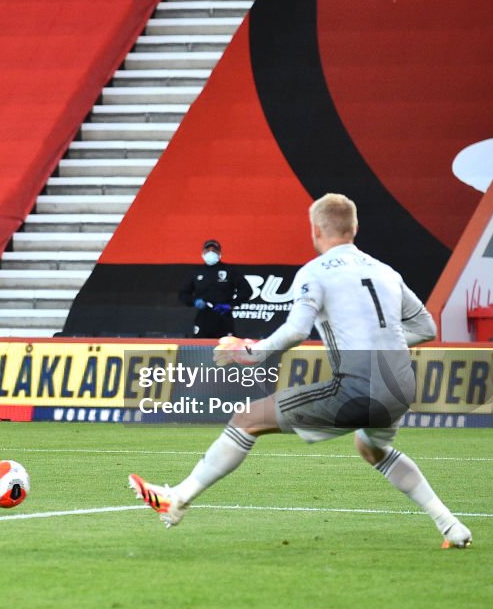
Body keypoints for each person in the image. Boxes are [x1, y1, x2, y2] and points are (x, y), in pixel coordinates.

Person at [130, 193, 472, 548]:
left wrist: (252, 352)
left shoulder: (314, 272)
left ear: (315, 230)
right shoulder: (385, 271)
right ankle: (451, 526)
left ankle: (176, 500)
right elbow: (427, 328)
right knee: (373, 449)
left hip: (360, 386)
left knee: (247, 419)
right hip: (402, 384)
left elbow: (296, 329)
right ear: (354, 228)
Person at [178, 239, 251, 338]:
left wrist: (231, 305)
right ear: (203, 253)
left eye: (214, 250)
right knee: (200, 348)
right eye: (208, 250)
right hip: (203, 317)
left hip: (224, 316)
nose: (211, 253)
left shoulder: (230, 270)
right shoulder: (196, 272)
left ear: (219, 253)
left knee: (226, 348)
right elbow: (183, 294)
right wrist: (194, 301)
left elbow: (246, 290)